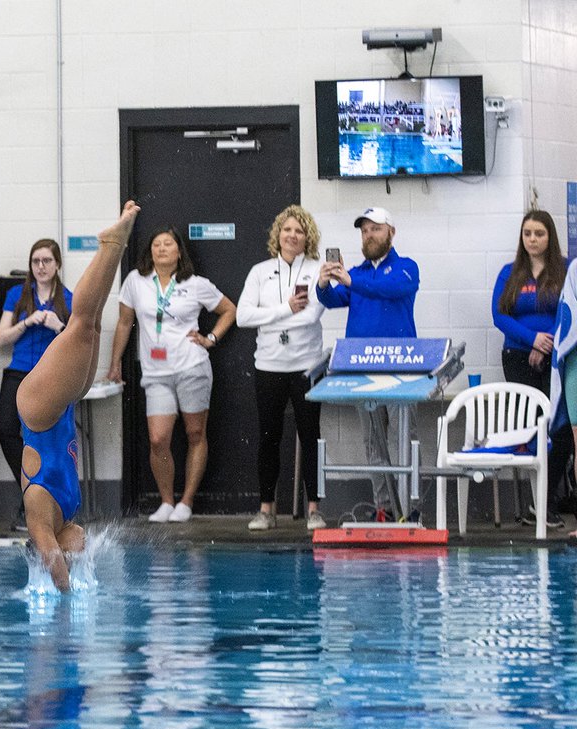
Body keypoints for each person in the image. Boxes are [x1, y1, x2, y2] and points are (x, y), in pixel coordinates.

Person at [20, 201, 139, 591]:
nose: (85, 549)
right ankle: (115, 248)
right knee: (94, 323)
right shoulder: (69, 511)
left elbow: (53, 563)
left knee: (81, 323)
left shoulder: (40, 513)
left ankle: (109, 244)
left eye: (79, 553)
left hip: (38, 411)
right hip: (63, 407)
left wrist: (66, 591)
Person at [107, 228, 236, 523]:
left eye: (168, 244)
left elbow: (230, 310)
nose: (162, 248)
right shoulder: (135, 282)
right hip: (155, 372)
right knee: (157, 438)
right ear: (149, 251)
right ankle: (166, 501)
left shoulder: (196, 284)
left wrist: (211, 338)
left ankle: (186, 502)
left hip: (192, 367)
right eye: (156, 244)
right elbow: (125, 323)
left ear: (179, 251)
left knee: (195, 433)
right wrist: (114, 362)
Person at [316, 206, 419, 519]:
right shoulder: (357, 274)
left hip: (402, 368)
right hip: (363, 368)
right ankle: (384, 508)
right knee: (373, 442)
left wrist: (350, 281)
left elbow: (394, 290)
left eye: (375, 228)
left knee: (404, 439)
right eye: (364, 230)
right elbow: (333, 301)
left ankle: (411, 508)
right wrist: (323, 284)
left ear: (391, 232)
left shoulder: (406, 267)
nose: (369, 235)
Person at [236, 205, 328, 532]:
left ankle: (314, 509)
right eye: (287, 230)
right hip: (269, 366)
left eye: (299, 231)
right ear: (278, 234)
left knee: (310, 435)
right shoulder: (260, 272)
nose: (292, 236)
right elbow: (242, 317)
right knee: (268, 438)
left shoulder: (318, 269)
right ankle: (266, 510)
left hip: (306, 366)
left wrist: (271, 317)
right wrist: (284, 309)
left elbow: (312, 316)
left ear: (308, 237)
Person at [492, 210, 569, 528]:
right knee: (533, 430)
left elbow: (569, 310)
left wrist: (548, 345)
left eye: (539, 233)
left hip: (557, 357)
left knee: (560, 432)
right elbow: (500, 315)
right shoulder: (510, 273)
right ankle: (533, 504)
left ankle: (545, 500)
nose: (533, 239)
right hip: (518, 357)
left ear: (549, 236)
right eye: (527, 234)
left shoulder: (564, 270)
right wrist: (532, 340)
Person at [0, 238, 72, 532]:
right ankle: (29, 493)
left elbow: (77, 342)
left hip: (50, 375)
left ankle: (46, 504)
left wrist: (58, 327)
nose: (41, 267)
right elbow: (1, 337)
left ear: (57, 264)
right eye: (36, 261)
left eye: (47, 261)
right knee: (5, 428)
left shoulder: (67, 297)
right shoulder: (18, 294)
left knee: (43, 439)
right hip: (18, 372)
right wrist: (26, 323)